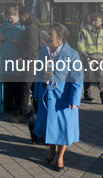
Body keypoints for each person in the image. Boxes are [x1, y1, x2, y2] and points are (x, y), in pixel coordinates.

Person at [33, 22, 83, 172]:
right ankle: (51, 149)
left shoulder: (72, 54)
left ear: (60, 37)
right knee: (46, 126)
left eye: (51, 34)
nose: (48, 36)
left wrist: (75, 100)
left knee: (62, 129)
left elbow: (77, 78)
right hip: (45, 94)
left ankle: (60, 156)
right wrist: (36, 92)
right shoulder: (44, 51)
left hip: (62, 98)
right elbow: (38, 72)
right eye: (48, 33)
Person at [10, 8, 43, 123]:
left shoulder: (30, 28)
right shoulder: (34, 26)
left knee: (24, 89)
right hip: (34, 61)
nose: (20, 19)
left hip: (31, 62)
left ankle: (22, 114)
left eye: (21, 16)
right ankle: (37, 112)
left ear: (25, 16)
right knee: (34, 88)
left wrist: (20, 55)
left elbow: (32, 47)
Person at [77, 13, 103, 104]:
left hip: (99, 58)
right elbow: (80, 45)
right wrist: (86, 56)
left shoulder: (101, 31)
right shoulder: (84, 31)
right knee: (88, 77)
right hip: (89, 58)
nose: (101, 23)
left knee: (101, 76)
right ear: (93, 22)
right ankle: (87, 94)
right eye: (99, 21)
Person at [0, 6, 24, 116]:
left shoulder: (22, 26)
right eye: (8, 17)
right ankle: (8, 107)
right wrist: (1, 38)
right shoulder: (5, 25)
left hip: (16, 58)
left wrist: (20, 42)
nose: (9, 20)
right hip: (5, 58)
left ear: (17, 16)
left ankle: (18, 106)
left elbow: (27, 41)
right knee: (7, 84)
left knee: (18, 85)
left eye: (11, 17)